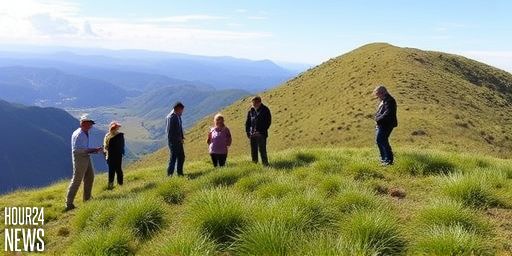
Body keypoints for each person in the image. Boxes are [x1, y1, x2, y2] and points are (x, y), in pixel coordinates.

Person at [65, 115, 102, 211]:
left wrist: (93, 150)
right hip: (80, 157)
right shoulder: (79, 134)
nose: (91, 126)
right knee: (77, 179)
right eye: (90, 123)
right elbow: (79, 150)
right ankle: (69, 203)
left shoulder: (82, 132)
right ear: (84, 123)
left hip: (85, 156)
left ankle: (87, 198)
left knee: (90, 176)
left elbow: (83, 149)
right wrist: (94, 150)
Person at [374, 85, 398, 166]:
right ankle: (384, 159)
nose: (377, 97)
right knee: (379, 141)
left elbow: (388, 114)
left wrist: (377, 119)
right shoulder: (385, 100)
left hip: (386, 124)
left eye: (378, 95)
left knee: (382, 140)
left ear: (382, 93)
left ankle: (388, 160)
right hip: (382, 124)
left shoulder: (390, 100)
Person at [245, 96, 272, 166]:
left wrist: (260, 131)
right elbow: (247, 123)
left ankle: (265, 164)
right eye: (252, 103)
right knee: (253, 150)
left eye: (255, 103)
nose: (253, 105)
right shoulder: (251, 111)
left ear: (259, 102)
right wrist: (248, 132)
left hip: (261, 134)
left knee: (262, 150)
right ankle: (255, 164)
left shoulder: (265, 110)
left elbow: (268, 122)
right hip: (252, 134)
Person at [103, 121, 125, 189]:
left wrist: (106, 153)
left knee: (115, 170)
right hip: (113, 155)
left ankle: (117, 184)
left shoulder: (115, 135)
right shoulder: (115, 135)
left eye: (116, 128)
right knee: (115, 170)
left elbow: (105, 146)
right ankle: (115, 184)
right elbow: (105, 146)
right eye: (115, 128)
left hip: (113, 155)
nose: (116, 129)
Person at [166, 102, 185, 176]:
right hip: (174, 142)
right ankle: (169, 174)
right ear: (178, 109)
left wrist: (182, 137)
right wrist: (179, 138)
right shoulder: (172, 118)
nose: (182, 112)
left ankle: (179, 173)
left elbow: (179, 128)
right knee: (173, 158)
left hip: (178, 141)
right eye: (181, 110)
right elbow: (171, 132)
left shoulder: (178, 116)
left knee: (181, 157)